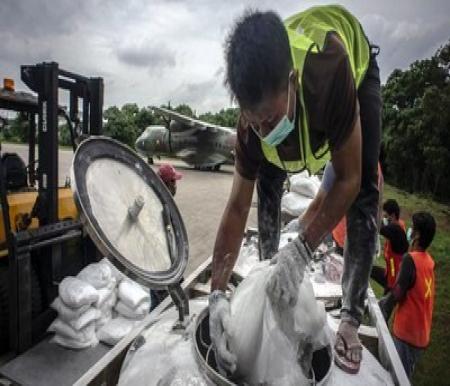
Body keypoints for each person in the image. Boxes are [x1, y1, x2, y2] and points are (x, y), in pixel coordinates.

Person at [209, 5, 381, 375]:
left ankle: (351, 315)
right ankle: (272, 277)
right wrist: (217, 293)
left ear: (292, 79)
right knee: (267, 183)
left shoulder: (328, 68)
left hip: (357, 70)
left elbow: (347, 178)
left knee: (365, 190)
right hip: (296, 102)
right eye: (254, 122)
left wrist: (303, 249)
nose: (264, 131)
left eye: (270, 120)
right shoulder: (252, 125)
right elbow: (237, 207)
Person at [379, 212, 436, 379]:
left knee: (395, 378)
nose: (409, 231)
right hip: (420, 334)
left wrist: (381, 309)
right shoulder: (429, 262)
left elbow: (397, 293)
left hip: (407, 334)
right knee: (404, 374)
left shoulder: (411, 259)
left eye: (413, 228)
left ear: (417, 235)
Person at [150, 164, 182, 312]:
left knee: (156, 306)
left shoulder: (165, 203)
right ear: (167, 184)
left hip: (165, 267)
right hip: (161, 269)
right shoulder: (159, 207)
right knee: (164, 309)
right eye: (174, 182)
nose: (176, 186)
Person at [371, 199, 408, 293]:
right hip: (390, 271)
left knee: (383, 305)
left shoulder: (395, 230)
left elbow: (378, 227)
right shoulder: (399, 224)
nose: (384, 219)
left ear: (393, 215)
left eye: (386, 216)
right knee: (369, 269)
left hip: (393, 279)